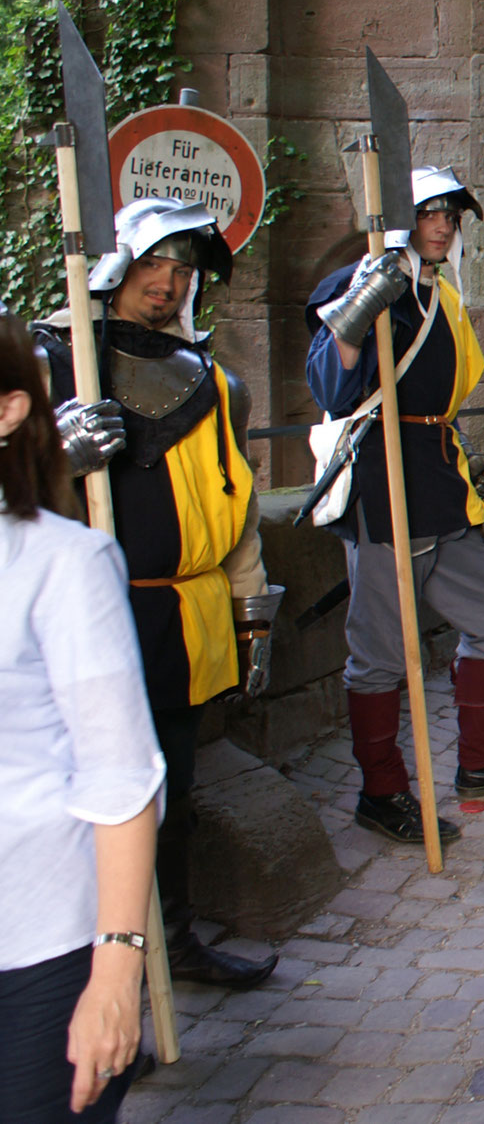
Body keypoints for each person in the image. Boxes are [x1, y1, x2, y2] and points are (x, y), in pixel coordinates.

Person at [36, 197, 279, 989]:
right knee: (77, 809)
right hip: (80, 617)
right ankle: (87, 981)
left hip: (182, 616)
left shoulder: (213, 383)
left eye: (184, 271)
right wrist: (55, 459)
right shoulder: (51, 361)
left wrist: (252, 620)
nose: (168, 283)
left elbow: (236, 510)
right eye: (155, 264)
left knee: (167, 795)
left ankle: (170, 948)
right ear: (116, 266)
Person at [307, 166, 484, 847]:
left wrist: (471, 461)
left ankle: (480, 762)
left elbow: (438, 400)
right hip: (382, 483)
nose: (444, 225)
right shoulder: (356, 285)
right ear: (401, 219)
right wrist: (363, 308)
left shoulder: (440, 293)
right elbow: (331, 386)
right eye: (430, 213)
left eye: (452, 214)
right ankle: (382, 792)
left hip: (440, 481)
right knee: (383, 653)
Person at [0, 305, 163, 1123]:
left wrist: (115, 972)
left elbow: (121, 779)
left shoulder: (63, 565)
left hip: (35, 946)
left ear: (8, 409)